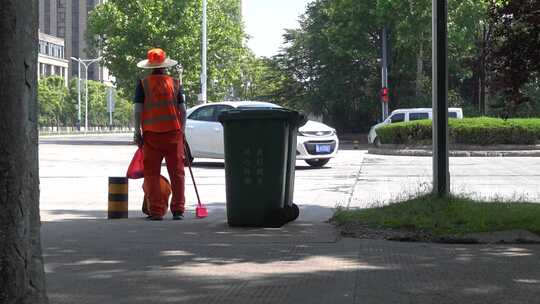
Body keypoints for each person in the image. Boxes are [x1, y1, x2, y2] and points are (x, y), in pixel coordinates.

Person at [133, 48, 187, 220]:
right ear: (165, 66)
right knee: (177, 172)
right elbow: (183, 110)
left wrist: (137, 132)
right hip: (173, 134)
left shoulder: (143, 84)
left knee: (151, 174)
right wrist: (182, 132)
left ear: (150, 66)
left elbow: (137, 110)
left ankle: (156, 211)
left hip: (151, 135)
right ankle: (178, 210)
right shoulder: (176, 83)